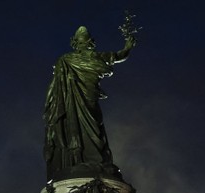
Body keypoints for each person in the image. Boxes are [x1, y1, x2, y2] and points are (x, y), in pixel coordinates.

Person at [43, 21, 136, 183]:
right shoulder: (66, 60)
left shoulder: (97, 56)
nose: (84, 44)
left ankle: (96, 160)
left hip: (89, 96)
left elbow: (118, 56)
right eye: (80, 42)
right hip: (71, 98)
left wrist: (128, 46)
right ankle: (77, 160)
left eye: (86, 42)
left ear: (90, 43)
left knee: (94, 125)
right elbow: (56, 85)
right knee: (75, 126)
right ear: (76, 44)